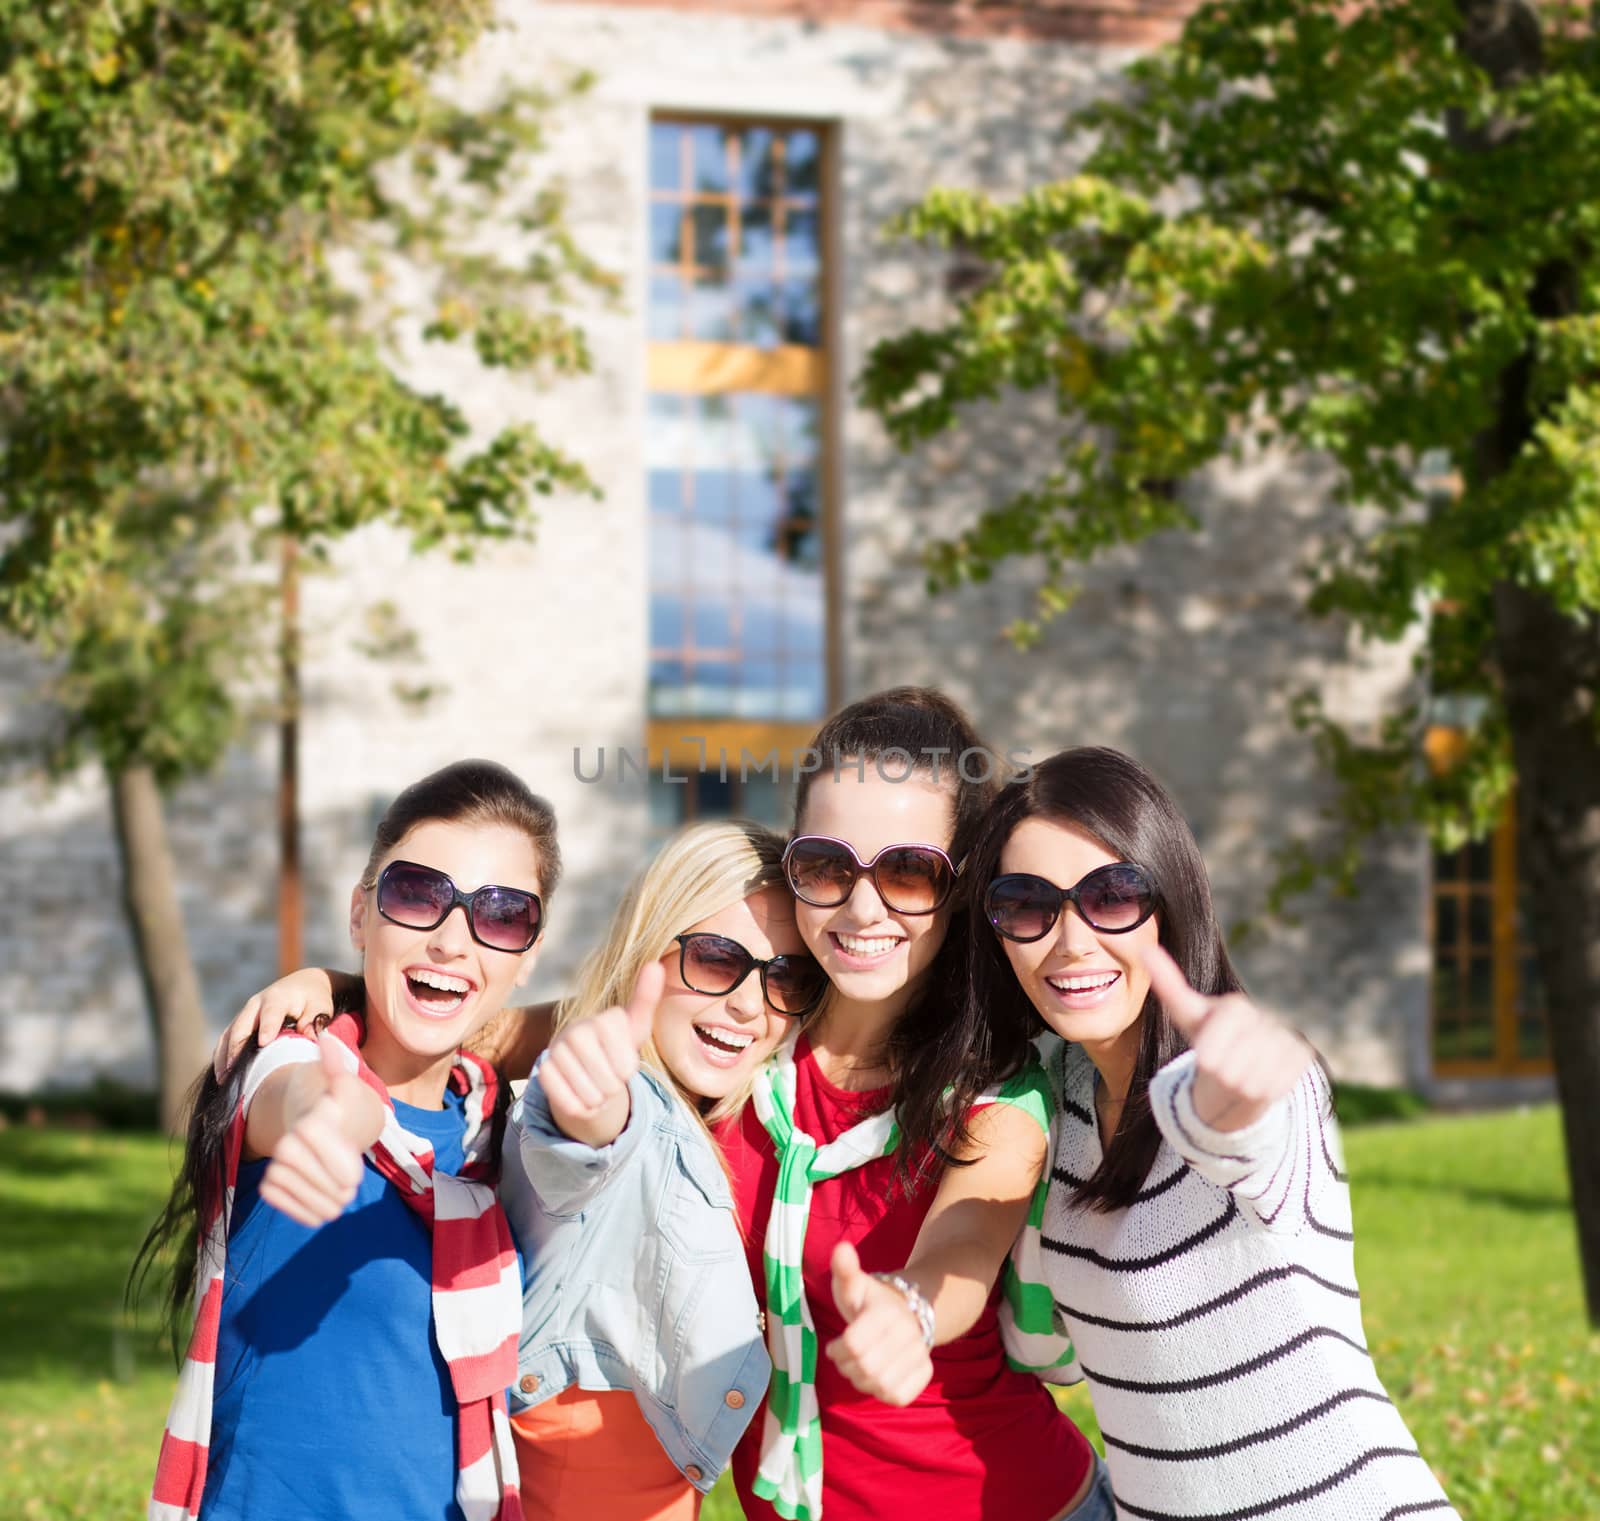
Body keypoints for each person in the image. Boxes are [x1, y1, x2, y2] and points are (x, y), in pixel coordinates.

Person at [845, 744, 1460, 1520]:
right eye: (1028, 904)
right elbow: (1033, 1325)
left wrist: (1235, 1089)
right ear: (997, 934)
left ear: (1169, 899)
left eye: (1112, 895)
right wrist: (915, 1300)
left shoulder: (1246, 1084)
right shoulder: (1056, 1106)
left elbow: (1242, 1126)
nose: (1070, 941)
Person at [715, 688, 1108, 1521]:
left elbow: (966, 1235)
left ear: (960, 888)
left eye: (907, 871)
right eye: (826, 865)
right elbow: (550, 1018)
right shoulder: (740, 1035)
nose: (862, 907)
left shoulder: (996, 1092)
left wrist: (911, 1307)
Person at [135, 758, 560, 1521]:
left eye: (500, 914)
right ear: (362, 913)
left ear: (527, 954)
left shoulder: (491, 1131)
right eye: (417, 894)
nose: (453, 939)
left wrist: (336, 978)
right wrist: (339, 1118)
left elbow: (628, 1011)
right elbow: (300, 1092)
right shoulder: (288, 1059)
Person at [500, 821, 827, 1519]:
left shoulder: (745, 1117)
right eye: (715, 959)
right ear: (648, 947)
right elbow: (591, 1144)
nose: (748, 1002)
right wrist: (589, 1100)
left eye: (787, 977)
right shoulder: (635, 1103)